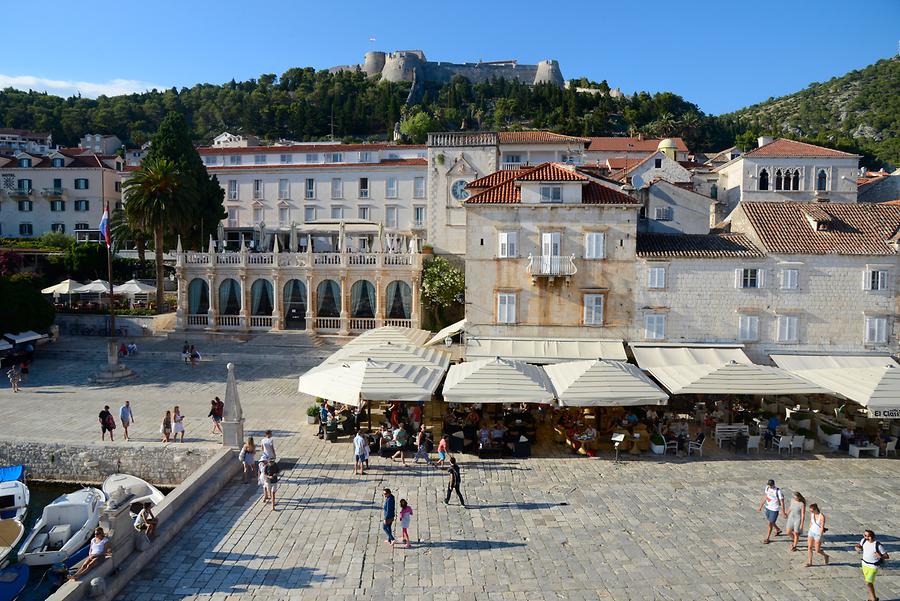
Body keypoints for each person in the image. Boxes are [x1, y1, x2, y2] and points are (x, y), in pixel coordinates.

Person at [856, 529, 889, 601]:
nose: (865, 537)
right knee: (868, 582)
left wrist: (880, 556)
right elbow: (859, 545)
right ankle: (871, 598)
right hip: (864, 564)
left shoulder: (878, 545)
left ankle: (873, 599)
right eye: (864, 535)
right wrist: (857, 547)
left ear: (871, 537)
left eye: (867, 536)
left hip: (873, 566)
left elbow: (887, 556)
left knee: (869, 582)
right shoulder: (863, 540)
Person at [757, 479, 784, 543]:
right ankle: (778, 529)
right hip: (768, 507)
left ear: (773, 485)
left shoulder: (778, 491)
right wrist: (760, 506)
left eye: (771, 486)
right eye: (769, 485)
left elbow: (782, 502)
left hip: (774, 509)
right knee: (770, 521)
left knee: (770, 523)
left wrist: (783, 511)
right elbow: (765, 497)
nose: (770, 487)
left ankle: (767, 538)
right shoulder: (767, 488)